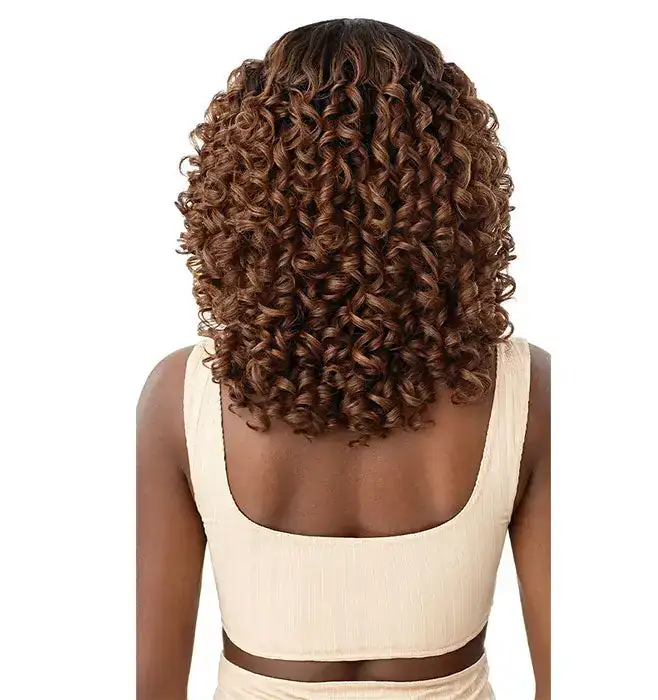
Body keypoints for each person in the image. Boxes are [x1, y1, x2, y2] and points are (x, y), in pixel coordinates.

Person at [136, 18, 550, 700]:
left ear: (248, 188)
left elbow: (151, 686)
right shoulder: (529, 392)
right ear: (454, 183)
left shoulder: (177, 397)